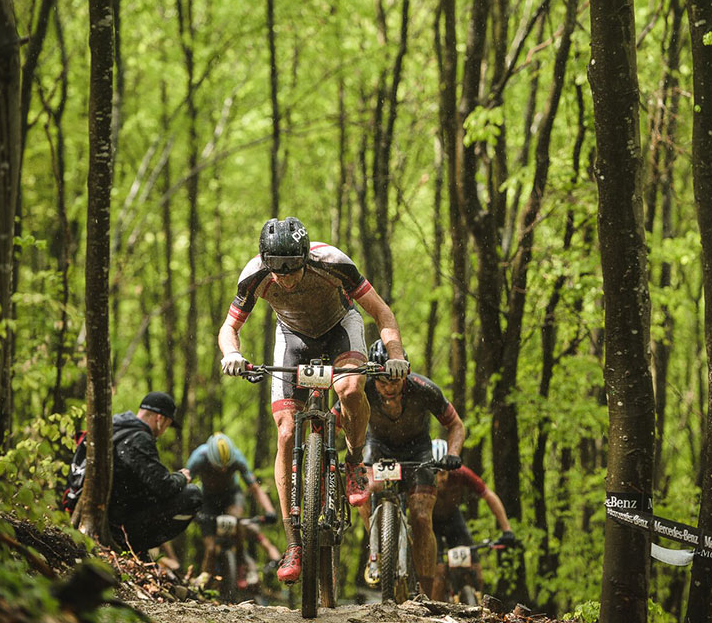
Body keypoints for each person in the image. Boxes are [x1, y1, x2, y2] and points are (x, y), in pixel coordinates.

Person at [217, 216, 410, 584]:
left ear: (307, 257)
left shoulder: (333, 263)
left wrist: (396, 354)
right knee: (287, 431)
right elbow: (230, 327)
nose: (285, 277)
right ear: (265, 260)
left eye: (293, 267)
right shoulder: (255, 274)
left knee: (350, 389)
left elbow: (382, 313)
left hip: (340, 328)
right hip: (292, 338)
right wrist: (232, 354)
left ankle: (354, 462)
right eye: (277, 268)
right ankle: (293, 541)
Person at [341, 340, 465, 598]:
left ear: (405, 375)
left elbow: (456, 425)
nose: (387, 389)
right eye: (382, 382)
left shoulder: (424, 389)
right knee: (362, 489)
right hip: (378, 447)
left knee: (421, 516)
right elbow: (337, 418)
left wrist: (452, 455)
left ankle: (427, 593)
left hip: (417, 450)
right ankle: (375, 549)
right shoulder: (363, 389)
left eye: (394, 383)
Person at [108, 391, 202, 557]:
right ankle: (134, 547)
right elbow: (164, 486)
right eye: (168, 424)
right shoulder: (138, 438)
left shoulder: (116, 429)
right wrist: (182, 477)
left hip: (111, 514)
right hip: (117, 525)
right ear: (160, 419)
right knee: (192, 495)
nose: (165, 431)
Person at [429, 438, 516, 601]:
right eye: (438, 473)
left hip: (453, 518)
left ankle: (476, 602)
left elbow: (488, 495)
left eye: (445, 472)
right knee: (438, 572)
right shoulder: (423, 478)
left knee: (474, 568)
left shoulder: (460, 473)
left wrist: (507, 529)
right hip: (431, 522)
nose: (443, 478)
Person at [185, 432, 282, 579]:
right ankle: (205, 582)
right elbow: (185, 484)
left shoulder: (237, 458)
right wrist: (188, 510)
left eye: (226, 467)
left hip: (232, 496)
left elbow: (255, 488)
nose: (223, 470)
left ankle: (242, 560)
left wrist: (269, 510)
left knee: (235, 519)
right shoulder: (198, 457)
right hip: (208, 499)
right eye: (219, 467)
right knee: (210, 549)